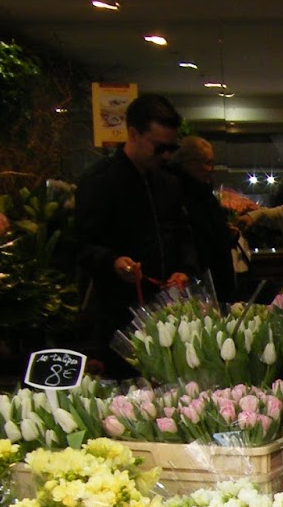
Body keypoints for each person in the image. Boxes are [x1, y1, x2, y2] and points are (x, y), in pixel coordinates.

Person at [74, 93, 199, 370]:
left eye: (171, 148)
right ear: (133, 134)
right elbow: (81, 246)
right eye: (159, 147)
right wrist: (113, 262)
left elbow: (184, 235)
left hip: (171, 314)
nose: (166, 155)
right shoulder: (99, 181)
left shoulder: (170, 182)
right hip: (119, 319)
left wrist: (184, 270)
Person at [167, 135, 237, 301]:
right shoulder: (178, 192)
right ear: (189, 163)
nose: (211, 169)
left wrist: (226, 233)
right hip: (198, 281)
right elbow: (193, 236)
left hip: (215, 278)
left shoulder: (203, 191)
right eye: (207, 163)